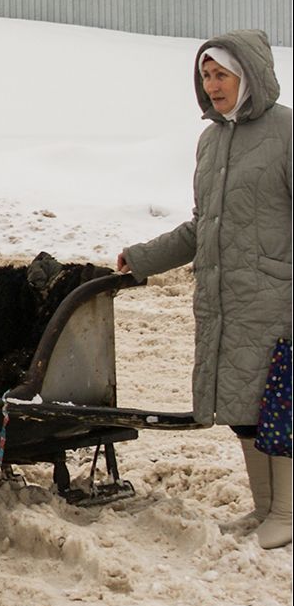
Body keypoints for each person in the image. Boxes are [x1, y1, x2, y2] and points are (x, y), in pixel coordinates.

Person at [117, 30, 292, 550]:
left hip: (278, 299)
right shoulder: (211, 141)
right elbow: (204, 226)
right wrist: (145, 258)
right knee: (243, 409)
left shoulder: (286, 132)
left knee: (278, 407)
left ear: (249, 76)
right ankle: (265, 508)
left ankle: (287, 512)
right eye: (206, 76)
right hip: (224, 301)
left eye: (222, 75)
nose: (212, 85)